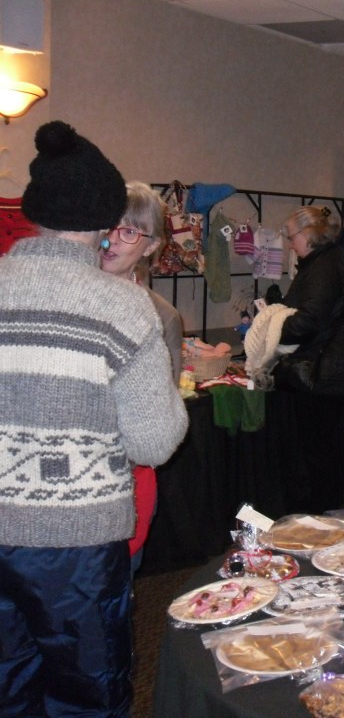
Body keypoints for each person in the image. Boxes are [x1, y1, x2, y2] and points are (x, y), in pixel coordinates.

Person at [0, 120, 188, 717]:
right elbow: (154, 442)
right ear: (106, 222)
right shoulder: (124, 306)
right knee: (87, 694)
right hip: (76, 543)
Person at [100, 181, 184, 577]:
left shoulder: (161, 315)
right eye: (110, 224)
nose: (114, 238)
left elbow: (159, 417)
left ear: (151, 247)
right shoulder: (65, 294)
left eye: (131, 231)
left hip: (123, 481)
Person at [276, 205, 344, 394]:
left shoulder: (324, 267)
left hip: (326, 373)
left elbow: (308, 322)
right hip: (334, 367)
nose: (291, 245)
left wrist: (270, 328)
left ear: (308, 233)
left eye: (291, 238)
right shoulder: (327, 260)